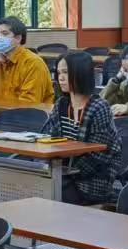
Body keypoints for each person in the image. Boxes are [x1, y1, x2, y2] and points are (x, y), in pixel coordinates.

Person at [49, 51, 122, 203]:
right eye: (59, 73)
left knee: (51, 192)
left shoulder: (99, 107)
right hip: (62, 173)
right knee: (37, 186)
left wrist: (66, 173)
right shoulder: (61, 104)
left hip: (93, 180)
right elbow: (54, 142)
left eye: (66, 72)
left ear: (81, 73)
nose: (60, 77)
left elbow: (98, 155)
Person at [0, 14, 54, 108]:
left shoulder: (33, 63)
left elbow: (28, 104)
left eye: (5, 33)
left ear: (18, 38)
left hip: (25, 115)